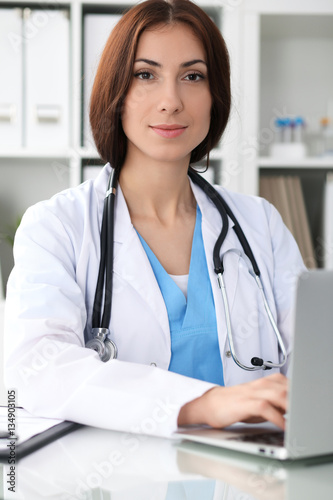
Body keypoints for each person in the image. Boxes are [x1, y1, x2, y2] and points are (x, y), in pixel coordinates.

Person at [4, 0, 305, 437]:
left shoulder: (260, 224)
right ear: (116, 92)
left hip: (250, 479)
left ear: (214, 95)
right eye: (145, 75)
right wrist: (201, 403)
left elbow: (314, 368)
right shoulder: (57, 226)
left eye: (193, 76)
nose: (171, 101)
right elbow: (37, 369)